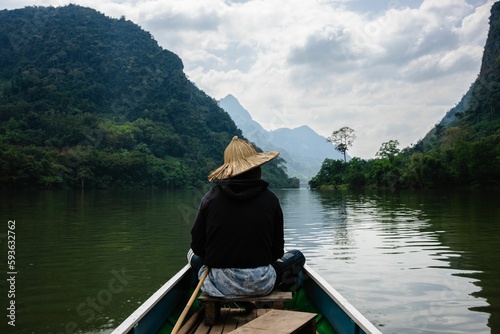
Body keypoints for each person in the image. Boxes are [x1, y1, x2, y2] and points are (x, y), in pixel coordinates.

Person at [188, 136, 305, 297]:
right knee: (298, 256)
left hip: (218, 285)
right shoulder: (271, 199)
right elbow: (277, 252)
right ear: (256, 168)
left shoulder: (210, 198)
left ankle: (208, 298)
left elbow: (198, 248)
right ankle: (282, 292)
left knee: (192, 257)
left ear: (228, 170)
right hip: (261, 284)